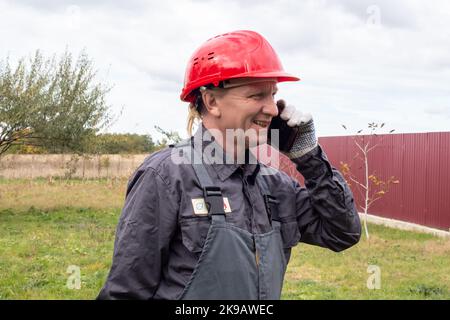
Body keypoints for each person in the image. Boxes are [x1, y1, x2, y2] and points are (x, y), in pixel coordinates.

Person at [98, 30, 361, 300]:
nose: (272, 109)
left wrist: (309, 156)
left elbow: (342, 232)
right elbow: (125, 292)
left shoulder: (274, 185)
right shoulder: (167, 175)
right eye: (256, 96)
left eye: (273, 95)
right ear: (212, 102)